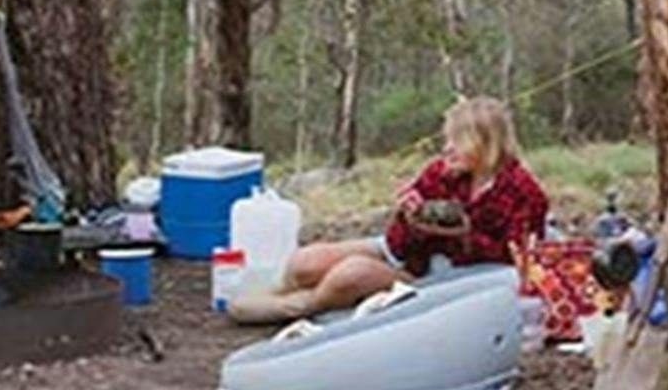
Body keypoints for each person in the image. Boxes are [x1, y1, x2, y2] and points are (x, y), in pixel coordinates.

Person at [229, 96, 547, 325]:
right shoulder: (441, 173)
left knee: (351, 273)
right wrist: (410, 218)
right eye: (447, 139)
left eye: (457, 140)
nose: (447, 148)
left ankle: (301, 306)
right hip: (409, 254)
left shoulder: (524, 192)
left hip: (445, 274)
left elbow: (521, 262)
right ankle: (278, 290)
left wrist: (463, 236)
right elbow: (398, 244)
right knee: (306, 260)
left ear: (486, 143)